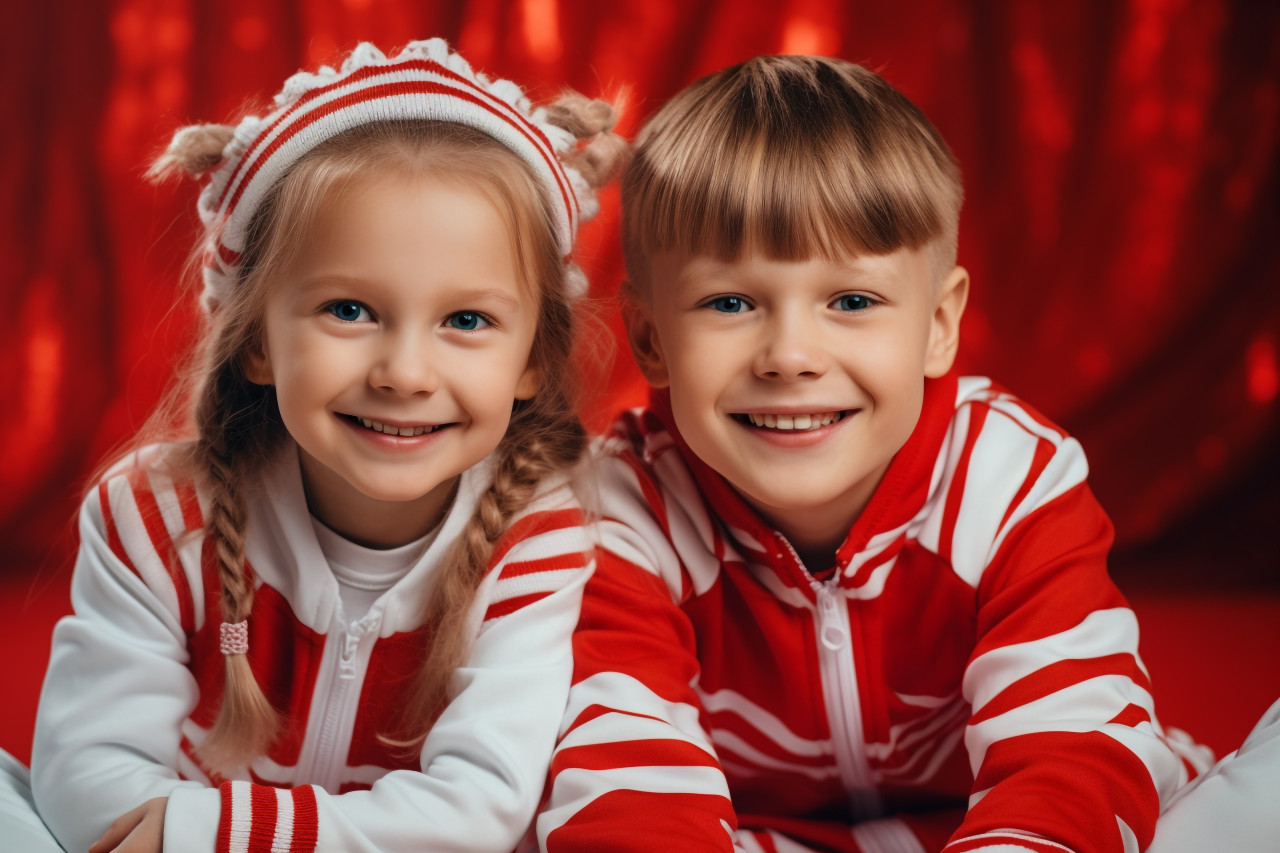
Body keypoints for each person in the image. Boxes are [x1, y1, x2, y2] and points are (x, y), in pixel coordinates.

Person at [531, 55, 1224, 853]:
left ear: (938, 324)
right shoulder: (616, 514)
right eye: (730, 302)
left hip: (1003, 824)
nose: (790, 356)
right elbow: (629, 782)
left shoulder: (1010, 479)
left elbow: (1070, 756)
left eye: (852, 301)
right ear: (651, 340)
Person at [5, 38, 626, 853]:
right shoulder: (157, 515)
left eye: (466, 321)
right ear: (255, 339)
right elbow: (90, 772)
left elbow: (476, 808)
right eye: (349, 311)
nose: (405, 372)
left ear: (532, 362)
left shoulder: (535, 541)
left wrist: (218, 834)